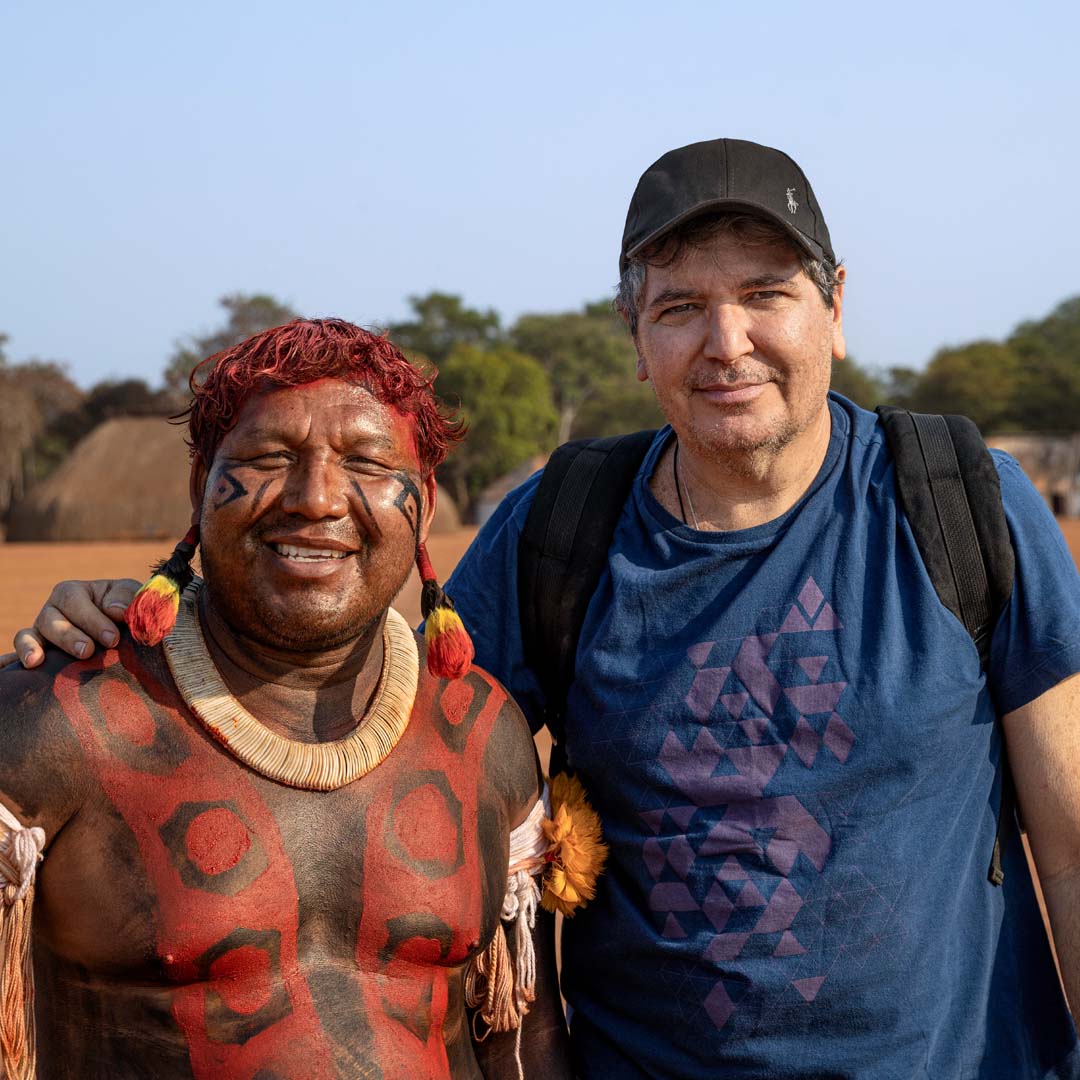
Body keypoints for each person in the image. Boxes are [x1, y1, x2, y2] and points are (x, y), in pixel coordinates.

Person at [10, 139, 1080, 1078]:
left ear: (835, 307)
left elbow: (1071, 839)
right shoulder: (558, 530)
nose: (727, 341)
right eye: (680, 307)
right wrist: (155, 615)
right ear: (633, 331)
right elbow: (361, 686)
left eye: (766, 294)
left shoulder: (961, 503)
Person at [0, 319, 577, 1079]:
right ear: (200, 487)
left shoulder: (481, 732)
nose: (315, 500)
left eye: (368, 462)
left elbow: (521, 1041)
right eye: (269, 459)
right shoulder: (57, 719)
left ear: (425, 504)